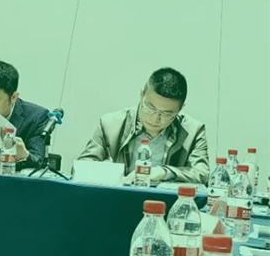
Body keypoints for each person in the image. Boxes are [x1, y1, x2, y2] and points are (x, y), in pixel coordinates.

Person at [77, 67, 209, 184]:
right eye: (150, 108)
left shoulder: (193, 131)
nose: (155, 118)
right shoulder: (111, 124)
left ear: (180, 109)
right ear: (141, 95)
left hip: (166, 201)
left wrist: (164, 172)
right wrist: (112, 172)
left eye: (166, 114)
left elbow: (202, 174)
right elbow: (82, 167)